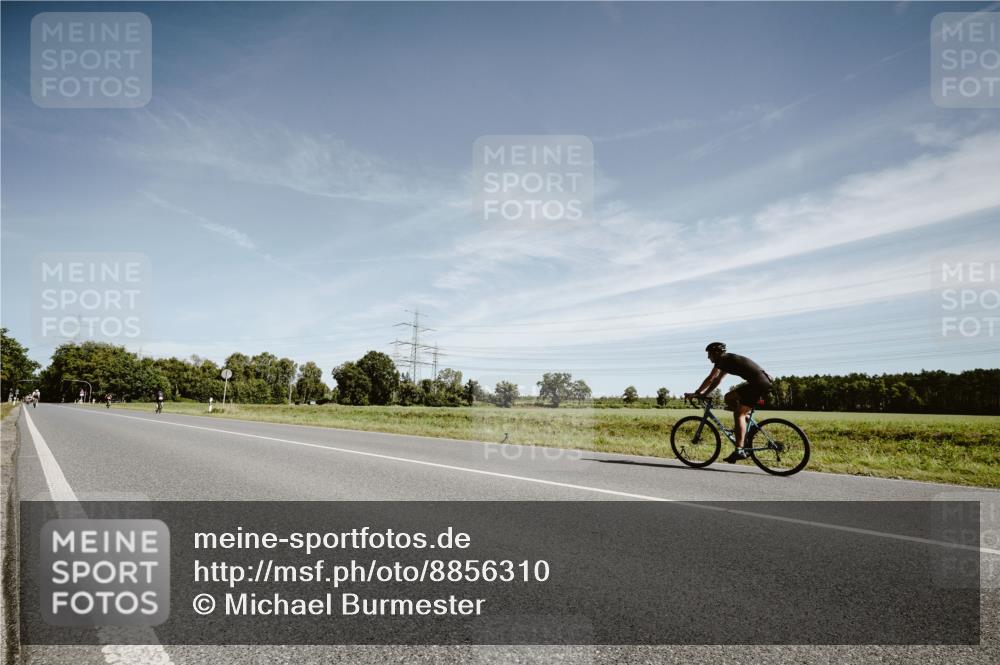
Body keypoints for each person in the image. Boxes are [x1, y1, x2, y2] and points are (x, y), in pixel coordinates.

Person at [685, 342, 773, 463]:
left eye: (709, 354)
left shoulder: (723, 360)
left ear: (716, 353)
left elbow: (712, 379)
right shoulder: (727, 360)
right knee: (729, 398)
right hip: (761, 382)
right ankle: (748, 424)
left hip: (758, 383)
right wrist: (700, 392)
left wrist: (700, 393)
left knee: (738, 414)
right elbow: (718, 379)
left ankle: (739, 450)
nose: (708, 357)